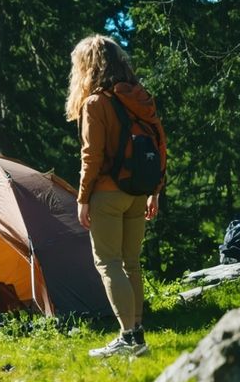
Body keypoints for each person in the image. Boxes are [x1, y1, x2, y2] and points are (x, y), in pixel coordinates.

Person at [66, 35, 166, 358]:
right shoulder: (139, 99)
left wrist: (82, 198)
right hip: (138, 192)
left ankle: (128, 337)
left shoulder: (96, 103)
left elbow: (90, 157)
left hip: (108, 194)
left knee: (108, 264)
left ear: (87, 67)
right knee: (131, 264)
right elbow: (160, 145)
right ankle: (138, 337)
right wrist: (155, 191)